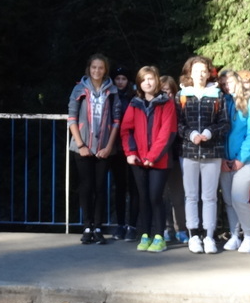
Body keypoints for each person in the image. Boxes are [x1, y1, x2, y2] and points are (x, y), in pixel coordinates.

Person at [120, 67, 177, 253]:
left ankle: (159, 237)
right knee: (143, 197)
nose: (147, 83)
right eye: (143, 79)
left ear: (157, 81)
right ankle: (145, 234)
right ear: (139, 83)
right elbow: (126, 129)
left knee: (155, 196)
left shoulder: (166, 103)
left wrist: (152, 156)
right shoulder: (134, 103)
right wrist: (130, 152)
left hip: (159, 160)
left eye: (151, 79)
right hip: (138, 160)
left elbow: (167, 132)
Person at [177, 55, 229, 253]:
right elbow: (177, 123)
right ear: (190, 73)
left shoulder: (217, 95)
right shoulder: (182, 95)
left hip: (212, 151)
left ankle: (209, 236)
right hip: (188, 151)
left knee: (209, 197)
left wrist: (209, 132)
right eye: (196, 71)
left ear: (208, 74)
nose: (200, 74)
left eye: (203, 71)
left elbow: (224, 122)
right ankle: (193, 235)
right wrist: (190, 134)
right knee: (191, 196)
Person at [68, 53, 121, 244]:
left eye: (100, 67)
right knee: (86, 187)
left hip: (103, 148)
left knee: (100, 187)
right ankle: (87, 226)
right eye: (93, 67)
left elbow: (116, 121)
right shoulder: (79, 89)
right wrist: (81, 144)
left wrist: (109, 147)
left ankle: (98, 227)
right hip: (82, 147)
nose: (97, 71)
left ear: (105, 70)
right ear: (89, 69)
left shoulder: (112, 91)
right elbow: (72, 118)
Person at [219, 70, 250, 253]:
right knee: (229, 200)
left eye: (229, 82)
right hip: (225, 160)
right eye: (223, 84)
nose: (226, 86)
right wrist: (222, 157)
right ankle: (234, 235)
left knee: (240, 198)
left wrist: (241, 158)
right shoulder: (222, 102)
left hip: (245, 160)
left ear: (237, 81)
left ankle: (249, 236)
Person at [109, 66, 139, 240]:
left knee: (134, 188)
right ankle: (120, 225)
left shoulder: (134, 97)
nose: (120, 82)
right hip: (116, 148)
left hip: (133, 147)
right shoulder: (110, 96)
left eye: (124, 79)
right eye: (118, 78)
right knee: (120, 187)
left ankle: (132, 225)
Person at [158, 75, 186, 242]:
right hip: (159, 157)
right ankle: (166, 228)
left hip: (176, 156)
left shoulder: (179, 109)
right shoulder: (155, 108)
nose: (166, 95)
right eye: (162, 91)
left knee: (177, 196)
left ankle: (181, 229)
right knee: (162, 196)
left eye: (169, 91)